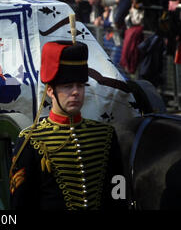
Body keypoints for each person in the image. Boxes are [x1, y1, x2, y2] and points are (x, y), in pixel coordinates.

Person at [9, 40, 126, 210]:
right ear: (50, 91)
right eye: (67, 86)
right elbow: (20, 203)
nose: (76, 92)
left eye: (80, 85)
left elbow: (118, 189)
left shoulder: (106, 135)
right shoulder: (31, 141)